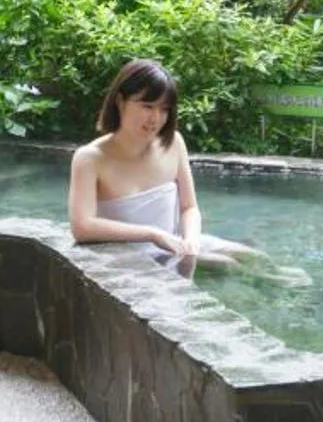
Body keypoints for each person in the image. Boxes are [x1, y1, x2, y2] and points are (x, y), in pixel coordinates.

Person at [68, 58, 288, 278]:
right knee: (227, 267)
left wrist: (191, 240)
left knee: (256, 258)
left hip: (175, 241)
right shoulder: (90, 158)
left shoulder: (173, 143)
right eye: (147, 106)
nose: (155, 118)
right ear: (120, 101)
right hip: (135, 253)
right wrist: (152, 234)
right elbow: (82, 227)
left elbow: (189, 207)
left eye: (164, 109)